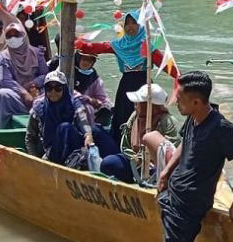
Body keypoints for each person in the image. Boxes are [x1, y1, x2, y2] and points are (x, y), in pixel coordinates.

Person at [157, 71, 233, 242]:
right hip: (174, 194)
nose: (176, 102)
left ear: (197, 102)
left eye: (180, 99)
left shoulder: (221, 128)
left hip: (190, 203)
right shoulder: (193, 117)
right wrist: (166, 172)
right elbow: (184, 142)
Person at [76, 10, 179, 144]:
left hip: (144, 87)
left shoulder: (147, 46)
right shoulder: (119, 45)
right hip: (125, 87)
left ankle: (143, 146)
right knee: (122, 117)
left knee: (145, 118)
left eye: (134, 23)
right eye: (127, 23)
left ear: (140, 25)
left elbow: (167, 66)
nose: (130, 26)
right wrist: (79, 43)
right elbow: (96, 48)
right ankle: (121, 145)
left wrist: (179, 80)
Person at [25, 70, 118, 165]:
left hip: (73, 145)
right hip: (52, 153)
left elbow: (82, 119)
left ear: (64, 89)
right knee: (64, 127)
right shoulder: (38, 107)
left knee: (96, 130)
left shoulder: (73, 101)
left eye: (58, 88)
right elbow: (30, 138)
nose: (53, 92)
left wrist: (88, 135)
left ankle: (115, 161)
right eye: (49, 88)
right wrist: (35, 161)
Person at [100, 83, 180, 183]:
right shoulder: (135, 116)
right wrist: (135, 158)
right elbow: (125, 145)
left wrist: (150, 160)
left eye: (139, 103)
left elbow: (172, 149)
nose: (135, 106)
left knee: (157, 173)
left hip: (156, 165)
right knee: (109, 163)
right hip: (134, 161)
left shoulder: (167, 121)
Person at [0, 22, 48, 128]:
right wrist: (23, 92)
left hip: (35, 92)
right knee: (2, 95)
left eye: (16, 35)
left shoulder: (37, 53)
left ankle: (46, 126)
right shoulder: (1, 57)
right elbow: (4, 80)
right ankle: (3, 128)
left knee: (52, 93)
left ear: (23, 35)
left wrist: (33, 84)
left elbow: (44, 74)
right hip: (16, 95)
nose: (13, 38)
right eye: (9, 36)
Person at [74, 52, 112, 126]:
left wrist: (104, 105)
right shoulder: (68, 71)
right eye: (84, 59)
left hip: (90, 113)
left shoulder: (93, 76)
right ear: (78, 58)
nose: (86, 62)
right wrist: (88, 99)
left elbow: (102, 96)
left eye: (90, 60)